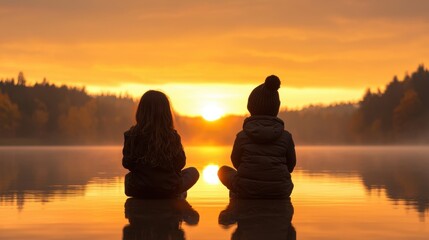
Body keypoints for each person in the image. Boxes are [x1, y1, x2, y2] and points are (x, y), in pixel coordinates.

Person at [217, 75, 296, 198]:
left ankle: (236, 200)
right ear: (276, 107)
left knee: (223, 171)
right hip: (280, 190)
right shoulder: (286, 137)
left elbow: (236, 162)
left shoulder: (242, 136)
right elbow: (290, 166)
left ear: (251, 107)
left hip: (246, 189)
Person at [122, 90, 199, 198]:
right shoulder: (172, 136)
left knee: (129, 177)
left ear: (141, 111)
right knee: (193, 172)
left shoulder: (131, 135)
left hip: (138, 189)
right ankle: (176, 195)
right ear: (166, 113)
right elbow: (180, 163)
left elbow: (127, 163)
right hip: (168, 189)